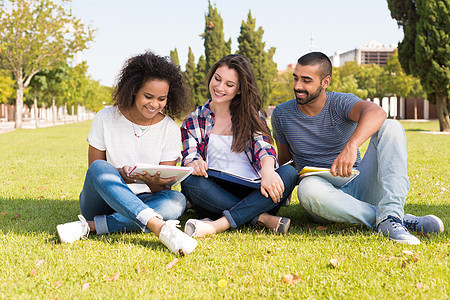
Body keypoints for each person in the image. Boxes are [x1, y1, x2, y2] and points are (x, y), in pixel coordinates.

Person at [271, 52, 444, 245]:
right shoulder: (281, 114)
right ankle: (392, 219)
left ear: (325, 82)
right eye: (295, 78)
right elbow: (286, 162)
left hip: (360, 182)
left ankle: (392, 214)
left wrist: (351, 146)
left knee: (391, 126)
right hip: (322, 195)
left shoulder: (339, 103)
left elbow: (376, 112)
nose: (297, 86)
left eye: (306, 80)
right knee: (307, 189)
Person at [56, 51, 197, 255]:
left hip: (147, 198)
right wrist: (121, 176)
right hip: (103, 201)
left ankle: (90, 227)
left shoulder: (170, 129)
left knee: (176, 202)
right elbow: (95, 171)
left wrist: (151, 182)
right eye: (148, 96)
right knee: (100, 168)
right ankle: (158, 226)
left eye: (161, 99)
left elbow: (162, 188)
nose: (154, 104)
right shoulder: (105, 117)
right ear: (133, 90)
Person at [180, 54, 298, 238]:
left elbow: (264, 146)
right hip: (214, 192)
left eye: (229, 84)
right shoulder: (193, 120)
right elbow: (190, 156)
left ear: (240, 90)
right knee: (188, 180)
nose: (219, 87)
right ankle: (262, 218)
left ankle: (217, 225)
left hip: (255, 190)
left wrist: (268, 170)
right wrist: (193, 163)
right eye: (217, 79)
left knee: (289, 173)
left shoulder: (251, 115)